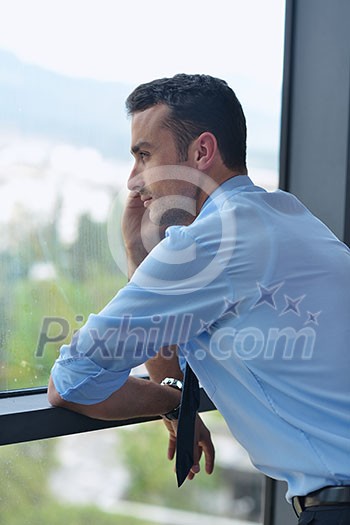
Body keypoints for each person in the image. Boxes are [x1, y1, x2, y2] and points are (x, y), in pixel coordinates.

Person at [48, 74, 350, 523]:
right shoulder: (285, 213)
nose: (134, 182)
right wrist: (138, 254)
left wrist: (166, 402)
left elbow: (70, 383)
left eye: (144, 156)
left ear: (201, 153)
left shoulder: (211, 242)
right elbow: (168, 343)